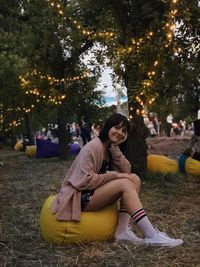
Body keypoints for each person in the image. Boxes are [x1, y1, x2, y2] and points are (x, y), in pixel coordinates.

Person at [51, 113, 183, 247]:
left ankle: (122, 231)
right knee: (125, 182)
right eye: (117, 127)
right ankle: (152, 235)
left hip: (94, 193)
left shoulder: (110, 148)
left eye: (124, 131)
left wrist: (115, 149)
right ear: (108, 127)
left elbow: (127, 170)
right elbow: (84, 180)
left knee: (134, 179)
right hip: (80, 196)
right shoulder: (93, 147)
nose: (120, 132)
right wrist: (115, 176)